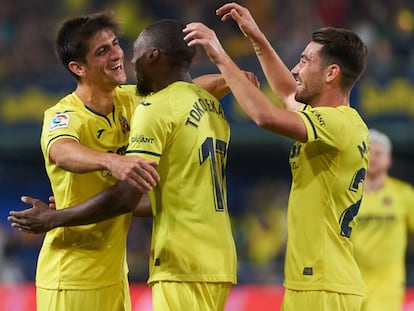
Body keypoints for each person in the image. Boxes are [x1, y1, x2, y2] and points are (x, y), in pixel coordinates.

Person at [9, 18, 243, 311]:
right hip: (70, 277)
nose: (117, 55)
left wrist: (232, 80)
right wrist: (111, 161)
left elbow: (190, 88)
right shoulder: (64, 114)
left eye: (116, 44)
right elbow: (62, 151)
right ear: (78, 68)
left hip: (116, 278)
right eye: (102, 51)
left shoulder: (131, 101)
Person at [182, 2, 370, 310]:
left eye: (305, 60)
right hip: (311, 282)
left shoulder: (339, 123)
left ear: (331, 73)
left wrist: (219, 55)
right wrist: (256, 37)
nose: (296, 68)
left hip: (324, 285)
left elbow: (264, 115)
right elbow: (286, 93)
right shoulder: (331, 121)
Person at [351, 129, 414, 311]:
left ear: (389, 160)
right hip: (350, 282)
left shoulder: (404, 194)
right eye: (368, 152)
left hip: (387, 285)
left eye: (378, 153)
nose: (373, 158)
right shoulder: (347, 195)